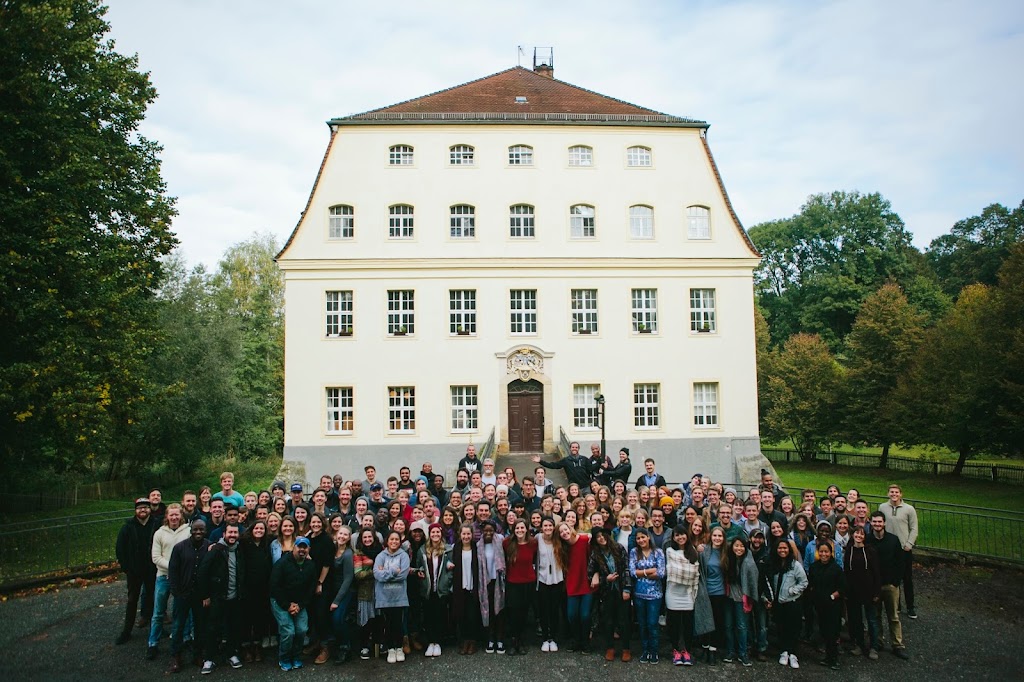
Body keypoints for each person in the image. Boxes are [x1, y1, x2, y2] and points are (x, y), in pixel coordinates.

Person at [197, 522, 246, 674]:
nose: (232, 535)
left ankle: (231, 654)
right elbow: (203, 573)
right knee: (213, 628)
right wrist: (205, 595)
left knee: (233, 627)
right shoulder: (216, 550)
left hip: (234, 597)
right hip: (218, 596)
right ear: (224, 534)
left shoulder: (239, 550)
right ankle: (209, 658)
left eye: (235, 533)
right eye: (230, 532)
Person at [167, 519, 212, 674]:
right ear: (191, 530)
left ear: (205, 530)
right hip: (183, 594)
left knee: (200, 626)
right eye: (195, 530)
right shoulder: (180, 548)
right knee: (178, 626)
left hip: (201, 595)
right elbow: (173, 571)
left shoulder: (209, 546)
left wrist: (208, 594)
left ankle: (197, 654)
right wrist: (176, 591)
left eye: (201, 530)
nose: (198, 532)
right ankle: (175, 656)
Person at [148, 502, 190, 660]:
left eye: (176, 514)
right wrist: (173, 567)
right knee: (158, 612)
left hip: (182, 578)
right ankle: (153, 642)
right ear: (167, 516)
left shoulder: (188, 532)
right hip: (163, 576)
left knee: (184, 610)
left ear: (181, 516)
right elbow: (156, 557)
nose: (174, 517)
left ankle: (186, 638)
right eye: (171, 515)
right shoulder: (159, 533)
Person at [865, 511, 910, 660]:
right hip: (873, 586)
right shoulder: (868, 540)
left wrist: (896, 581)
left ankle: (897, 644)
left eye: (879, 522)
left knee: (893, 616)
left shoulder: (893, 540)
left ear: (884, 523)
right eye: (874, 522)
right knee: (875, 615)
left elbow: (900, 562)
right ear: (870, 523)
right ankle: (878, 641)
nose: (877, 524)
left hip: (890, 585)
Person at [269, 536, 318, 671]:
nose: (302, 549)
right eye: (299, 546)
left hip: (299, 603)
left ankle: (296, 656)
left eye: (305, 547)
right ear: (294, 547)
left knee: (302, 629)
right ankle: (284, 658)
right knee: (289, 631)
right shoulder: (282, 563)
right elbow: (275, 586)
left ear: (308, 549)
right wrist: (287, 605)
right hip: (280, 601)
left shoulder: (310, 565)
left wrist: (300, 605)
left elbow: (310, 588)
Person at [115, 497, 157, 645]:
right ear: (135, 510)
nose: (143, 510)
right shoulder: (128, 527)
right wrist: (126, 567)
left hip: (152, 569)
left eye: (145, 507)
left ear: (150, 509)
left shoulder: (155, 525)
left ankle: (155, 628)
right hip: (134, 571)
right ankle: (127, 631)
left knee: (153, 599)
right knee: (132, 600)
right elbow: (120, 549)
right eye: (140, 508)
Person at [763, 540, 807, 670]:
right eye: (780, 548)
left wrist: (792, 591)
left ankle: (793, 653)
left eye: (785, 548)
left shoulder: (795, 565)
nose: (782, 550)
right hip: (779, 602)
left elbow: (803, 582)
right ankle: (784, 652)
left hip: (792, 602)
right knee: (781, 627)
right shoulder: (774, 565)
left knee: (793, 628)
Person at [589, 525, 632, 661]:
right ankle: (610, 648)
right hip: (606, 592)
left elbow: (626, 568)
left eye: (603, 535)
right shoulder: (595, 554)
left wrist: (627, 589)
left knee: (624, 620)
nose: (601, 539)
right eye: (598, 537)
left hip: (621, 589)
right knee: (608, 621)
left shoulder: (618, 548)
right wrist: (604, 579)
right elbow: (590, 574)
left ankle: (626, 648)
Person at [878, 484, 919, 619]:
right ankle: (897, 605)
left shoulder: (909, 509)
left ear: (901, 494)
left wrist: (909, 544)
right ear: (888, 494)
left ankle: (910, 606)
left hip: (903, 548)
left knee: (907, 578)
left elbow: (914, 528)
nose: (894, 494)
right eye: (891, 492)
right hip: (889, 548)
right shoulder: (883, 507)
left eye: (896, 492)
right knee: (892, 578)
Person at [663, 524, 699, 666]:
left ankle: (687, 651)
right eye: (677, 535)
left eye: (682, 534)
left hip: (688, 594)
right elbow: (672, 570)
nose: (680, 537)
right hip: (672, 593)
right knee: (674, 624)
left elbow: (695, 573)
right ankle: (676, 650)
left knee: (688, 625)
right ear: (673, 537)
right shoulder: (669, 551)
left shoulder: (693, 552)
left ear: (687, 535)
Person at [629, 527, 666, 664]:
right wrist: (650, 571)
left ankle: (654, 651)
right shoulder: (634, 552)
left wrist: (641, 572)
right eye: (638, 538)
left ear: (648, 537)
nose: (641, 540)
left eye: (643, 537)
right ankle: (645, 651)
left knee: (652, 624)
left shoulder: (658, 552)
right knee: (642, 624)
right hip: (639, 594)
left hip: (655, 595)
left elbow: (661, 573)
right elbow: (632, 572)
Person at [373, 530, 411, 664]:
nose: (394, 542)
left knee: (398, 623)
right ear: (387, 541)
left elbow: (404, 575)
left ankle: (399, 647)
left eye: (396, 539)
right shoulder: (381, 556)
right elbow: (377, 574)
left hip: (399, 596)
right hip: (384, 596)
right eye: (391, 539)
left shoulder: (404, 555)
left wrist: (386, 572)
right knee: (387, 623)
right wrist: (394, 571)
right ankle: (390, 649)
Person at [844, 524, 881, 659]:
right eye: (856, 534)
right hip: (853, 591)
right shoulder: (849, 550)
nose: (859, 536)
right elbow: (847, 572)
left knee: (871, 619)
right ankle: (859, 644)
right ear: (853, 535)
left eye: (861, 534)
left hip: (869, 590)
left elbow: (876, 572)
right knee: (856, 620)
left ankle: (874, 647)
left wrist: (877, 592)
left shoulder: (870, 551)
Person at [418, 522, 454, 657]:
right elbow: (419, 566)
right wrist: (420, 571)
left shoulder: (447, 549)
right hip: (428, 588)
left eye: (437, 532)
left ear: (441, 534)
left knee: (440, 615)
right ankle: (430, 642)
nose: (435, 535)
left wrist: (447, 581)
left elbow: (451, 569)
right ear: (429, 534)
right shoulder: (423, 550)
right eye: (433, 532)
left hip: (441, 588)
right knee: (428, 616)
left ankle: (438, 642)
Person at [808, 541, 845, 670]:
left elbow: (842, 588)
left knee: (832, 633)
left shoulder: (836, 569)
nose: (824, 554)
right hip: (819, 605)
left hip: (833, 606)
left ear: (831, 553)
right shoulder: (814, 567)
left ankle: (833, 659)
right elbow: (811, 584)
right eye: (821, 551)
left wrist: (832, 597)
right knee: (823, 630)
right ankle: (827, 657)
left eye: (826, 552)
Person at [240, 520, 273, 663]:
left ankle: (258, 647)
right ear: (251, 529)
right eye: (256, 528)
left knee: (260, 618)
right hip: (247, 587)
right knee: (246, 619)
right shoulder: (244, 544)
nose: (259, 530)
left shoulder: (267, 544)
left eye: (262, 528)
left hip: (263, 588)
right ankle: (247, 647)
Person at [723, 537, 758, 667]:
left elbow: (752, 582)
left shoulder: (749, 562)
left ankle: (743, 653)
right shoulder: (728, 559)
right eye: (736, 546)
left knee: (742, 626)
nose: (739, 548)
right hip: (728, 597)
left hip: (741, 598)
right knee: (728, 625)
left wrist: (749, 597)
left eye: (742, 546)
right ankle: (730, 651)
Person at [536, 517, 567, 652]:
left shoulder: (558, 539)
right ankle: (544, 638)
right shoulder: (537, 538)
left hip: (557, 578)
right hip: (542, 579)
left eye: (550, 526)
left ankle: (553, 638)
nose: (548, 528)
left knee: (554, 610)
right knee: (543, 610)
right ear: (541, 527)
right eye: (545, 526)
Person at [477, 520, 506, 653]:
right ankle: (490, 639)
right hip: (485, 582)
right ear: (482, 531)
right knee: (487, 610)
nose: (488, 533)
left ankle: (500, 639)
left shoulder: (500, 541)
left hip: (499, 581)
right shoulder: (478, 545)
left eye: (491, 530)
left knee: (499, 611)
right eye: (486, 530)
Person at [452, 524, 481, 654]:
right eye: (463, 534)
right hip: (460, 586)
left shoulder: (476, 548)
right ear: (460, 534)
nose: (466, 536)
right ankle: (464, 641)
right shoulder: (456, 548)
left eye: (468, 534)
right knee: (461, 614)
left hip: (473, 586)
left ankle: (472, 641)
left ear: (472, 535)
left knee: (472, 615)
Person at [353, 529, 382, 660]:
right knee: (365, 620)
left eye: (369, 537)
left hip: (380, 590)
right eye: (364, 537)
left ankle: (378, 643)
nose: (367, 539)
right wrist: (374, 570)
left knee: (379, 619)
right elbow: (358, 574)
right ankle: (364, 646)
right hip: (365, 591)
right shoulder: (359, 553)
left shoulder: (381, 551)